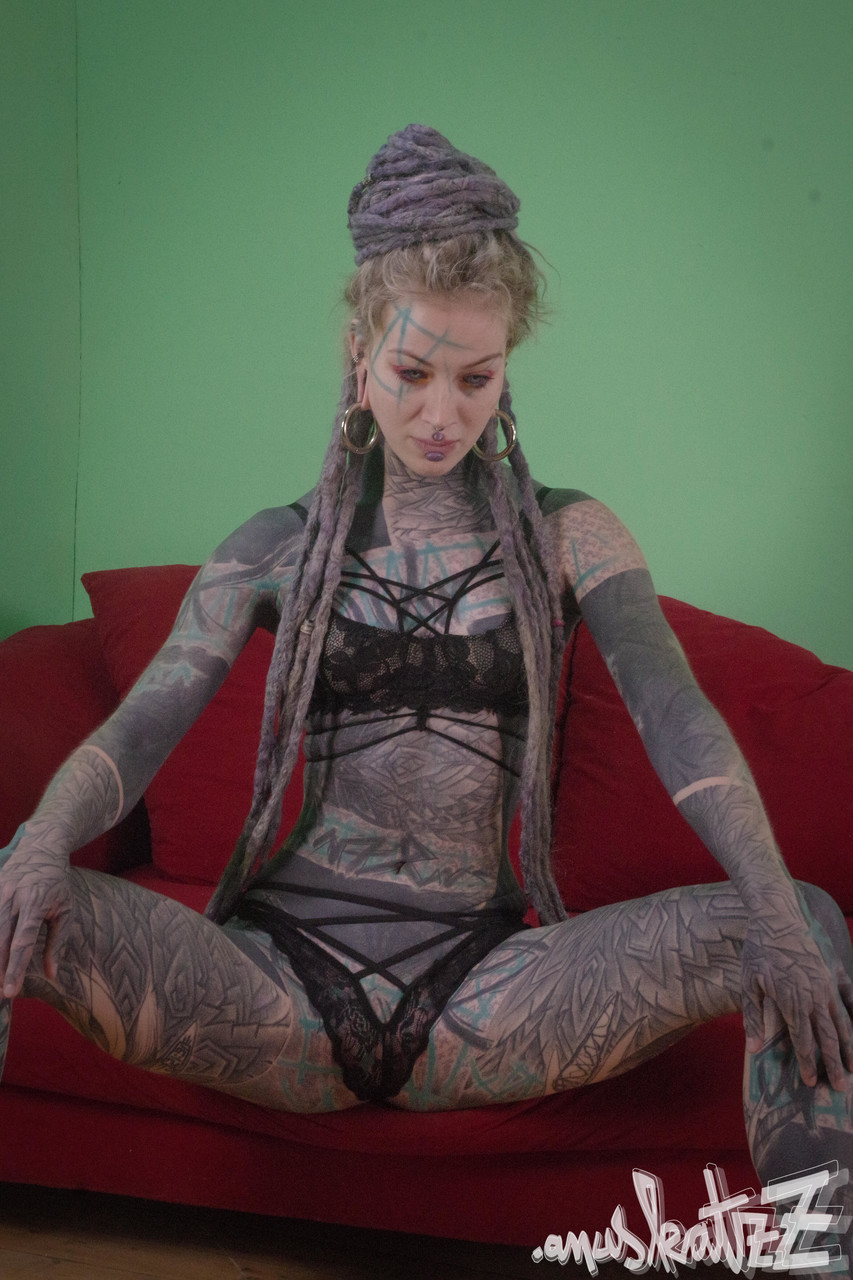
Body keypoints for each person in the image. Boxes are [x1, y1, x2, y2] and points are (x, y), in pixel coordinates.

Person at [1, 124, 852, 1251]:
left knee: (801, 921)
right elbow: (145, 722)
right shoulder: (277, 546)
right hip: (272, 990)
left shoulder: (569, 535)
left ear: (507, 369)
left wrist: (767, 901)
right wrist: (42, 838)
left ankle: (821, 1257)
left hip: (483, 996)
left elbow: (673, 713)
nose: (442, 414)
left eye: (474, 377)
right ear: (358, 353)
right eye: (411, 373)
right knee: (9, 892)